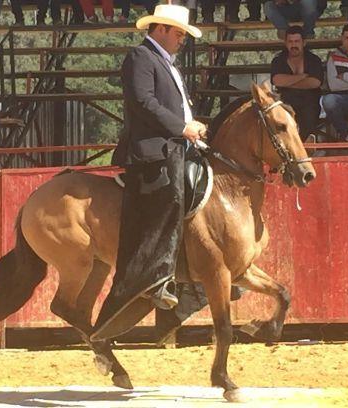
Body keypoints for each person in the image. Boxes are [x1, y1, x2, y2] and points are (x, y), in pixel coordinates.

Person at [93, 4, 209, 340]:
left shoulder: (163, 62)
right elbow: (144, 102)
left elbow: (170, 105)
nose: (182, 40)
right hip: (153, 151)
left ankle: (194, 278)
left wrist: (189, 128)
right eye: (178, 33)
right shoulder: (140, 58)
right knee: (169, 201)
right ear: (160, 29)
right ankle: (159, 279)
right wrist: (182, 127)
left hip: (175, 145)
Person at [271, 26, 323, 141]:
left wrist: (288, 82)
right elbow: (277, 80)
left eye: (297, 41)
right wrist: (302, 76)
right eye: (290, 41)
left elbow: (315, 82)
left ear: (303, 43)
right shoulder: (278, 60)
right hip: (285, 102)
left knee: (309, 116)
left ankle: (308, 149)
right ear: (285, 43)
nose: (293, 45)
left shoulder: (313, 59)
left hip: (309, 102)